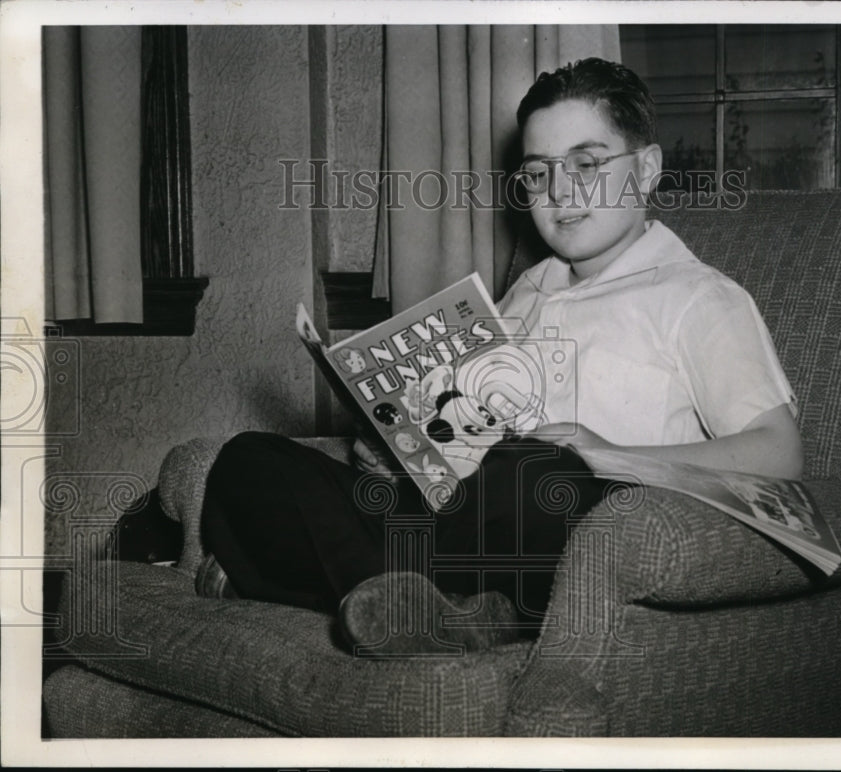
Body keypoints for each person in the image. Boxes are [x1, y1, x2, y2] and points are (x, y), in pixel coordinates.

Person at [199, 58, 802, 655]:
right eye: (538, 174)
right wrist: (397, 449)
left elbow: (779, 455)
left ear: (645, 170)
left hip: (570, 519)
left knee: (540, 470)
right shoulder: (525, 292)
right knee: (247, 459)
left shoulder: (697, 297)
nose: (560, 191)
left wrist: (607, 454)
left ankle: (312, 584)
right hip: (452, 524)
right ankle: (438, 609)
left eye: (586, 164)